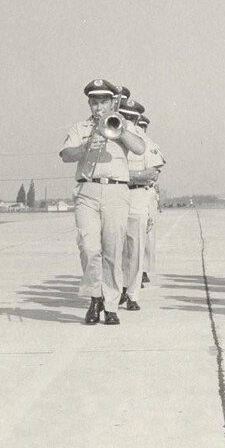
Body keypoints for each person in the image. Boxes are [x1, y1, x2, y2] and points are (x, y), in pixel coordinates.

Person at [59, 79, 146, 325]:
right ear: (89, 104)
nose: (99, 107)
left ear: (111, 103)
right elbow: (66, 154)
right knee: (88, 248)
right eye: (95, 103)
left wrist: (120, 131)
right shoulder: (80, 127)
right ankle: (94, 297)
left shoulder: (123, 124)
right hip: (87, 190)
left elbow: (140, 149)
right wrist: (86, 147)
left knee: (112, 249)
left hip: (116, 192)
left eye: (104, 102)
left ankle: (110, 306)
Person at [118, 99, 165, 310]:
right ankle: (116, 288)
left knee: (135, 247)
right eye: (123, 116)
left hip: (137, 196)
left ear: (136, 119)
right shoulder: (112, 140)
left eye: (129, 117)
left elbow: (152, 173)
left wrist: (125, 176)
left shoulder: (146, 143)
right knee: (114, 246)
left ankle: (132, 293)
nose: (126, 121)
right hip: (115, 195)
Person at [137, 114, 159, 286]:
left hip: (146, 190)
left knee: (146, 231)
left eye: (143, 126)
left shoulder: (150, 145)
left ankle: (142, 269)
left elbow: (155, 171)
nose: (141, 129)